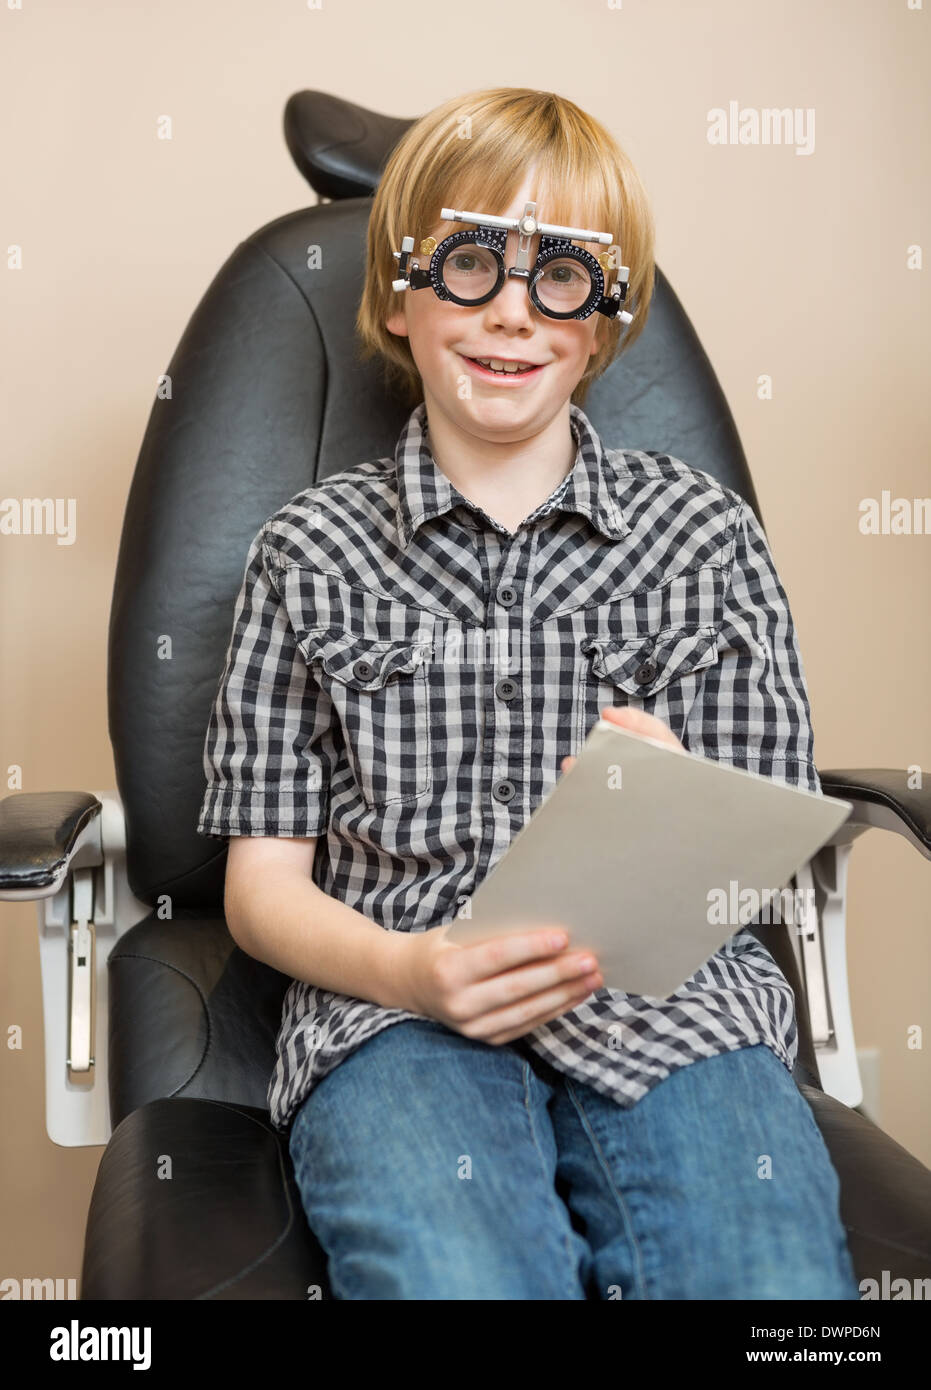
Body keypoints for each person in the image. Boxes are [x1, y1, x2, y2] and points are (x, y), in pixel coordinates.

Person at [196, 86, 860, 1301]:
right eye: (465, 264)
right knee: (456, 1276)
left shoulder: (701, 537)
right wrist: (410, 973)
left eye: (560, 275)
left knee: (766, 1280)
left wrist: (675, 798)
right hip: (393, 1013)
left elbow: (759, 849)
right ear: (398, 296)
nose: (510, 310)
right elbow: (260, 888)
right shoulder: (308, 551)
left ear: (603, 322)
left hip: (672, 1007)